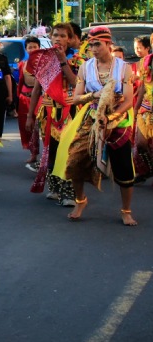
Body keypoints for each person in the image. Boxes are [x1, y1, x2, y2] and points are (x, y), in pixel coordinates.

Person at [55, 26, 137, 226]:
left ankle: (126, 210)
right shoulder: (86, 67)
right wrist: (94, 96)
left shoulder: (123, 67)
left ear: (108, 44)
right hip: (91, 117)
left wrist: (112, 117)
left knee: (124, 168)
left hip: (118, 119)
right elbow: (75, 98)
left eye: (97, 44)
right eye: (90, 44)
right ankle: (80, 201)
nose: (93, 48)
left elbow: (128, 99)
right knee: (74, 161)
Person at [25, 23, 79, 207]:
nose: (58, 38)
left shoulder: (78, 60)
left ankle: (68, 193)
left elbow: (75, 83)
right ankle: (55, 187)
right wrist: (30, 116)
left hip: (70, 111)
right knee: (52, 150)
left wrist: (63, 61)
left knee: (69, 152)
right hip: (48, 112)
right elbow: (37, 89)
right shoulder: (45, 60)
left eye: (63, 35)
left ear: (70, 39)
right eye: (55, 35)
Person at [17, 36, 42, 170]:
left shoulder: (45, 64)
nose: (32, 49)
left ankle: (46, 157)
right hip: (24, 98)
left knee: (40, 127)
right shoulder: (22, 64)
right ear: (26, 49)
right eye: (29, 47)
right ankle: (33, 153)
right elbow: (20, 82)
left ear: (39, 48)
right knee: (28, 128)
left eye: (35, 47)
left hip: (40, 99)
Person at [134, 42, 153, 183]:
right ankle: (149, 169)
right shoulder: (145, 62)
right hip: (146, 107)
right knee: (141, 143)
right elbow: (142, 87)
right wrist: (135, 108)